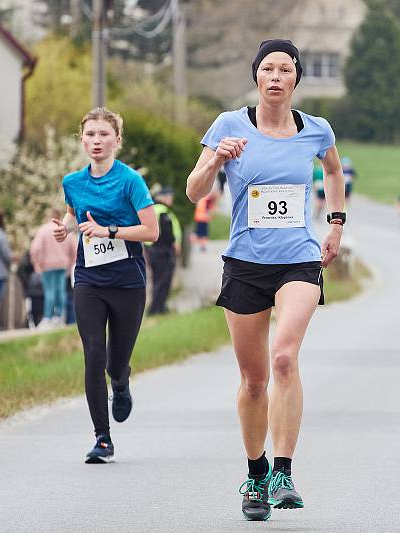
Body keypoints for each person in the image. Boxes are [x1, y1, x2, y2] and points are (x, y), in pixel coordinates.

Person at [186, 39, 345, 521]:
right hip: (245, 264)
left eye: (286, 69)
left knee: (283, 358)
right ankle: (255, 475)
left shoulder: (316, 130)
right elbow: (195, 191)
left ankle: (283, 471)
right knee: (254, 381)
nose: (276, 76)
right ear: (256, 77)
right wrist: (216, 160)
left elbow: (333, 170)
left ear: (296, 79)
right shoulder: (229, 125)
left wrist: (335, 222)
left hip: (298, 259)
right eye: (268, 69)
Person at [52, 107, 159, 464]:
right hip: (89, 280)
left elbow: (152, 231)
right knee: (93, 353)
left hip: (128, 282)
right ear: (81, 140)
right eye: (90, 135)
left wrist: (109, 231)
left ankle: (121, 382)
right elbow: (73, 213)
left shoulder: (131, 181)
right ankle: (102, 437)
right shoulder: (72, 182)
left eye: (103, 134)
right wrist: (65, 228)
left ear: (117, 140)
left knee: (115, 362)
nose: (96, 141)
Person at [30, 208, 78, 328]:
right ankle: (60, 317)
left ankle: (47, 317)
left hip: (47, 265)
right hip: (62, 265)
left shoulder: (43, 230)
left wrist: (37, 263)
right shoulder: (64, 230)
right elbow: (75, 249)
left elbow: (35, 248)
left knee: (49, 292)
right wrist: (71, 263)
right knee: (60, 291)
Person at [145, 185, 182, 315]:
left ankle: (157, 308)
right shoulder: (163, 211)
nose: (171, 199)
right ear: (164, 197)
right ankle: (157, 309)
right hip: (163, 251)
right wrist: (173, 244)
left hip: (153, 251)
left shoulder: (153, 210)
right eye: (170, 196)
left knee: (157, 280)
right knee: (163, 281)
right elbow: (166, 232)